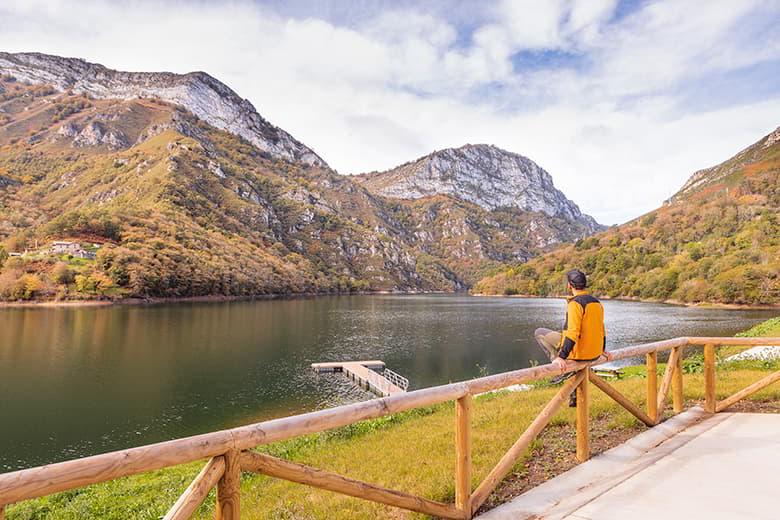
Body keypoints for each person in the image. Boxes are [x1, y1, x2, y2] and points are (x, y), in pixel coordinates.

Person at [534, 269, 610, 406]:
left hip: (581, 353)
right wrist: (602, 349)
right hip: (595, 353)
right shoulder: (597, 303)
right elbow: (601, 329)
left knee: (539, 332)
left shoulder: (575, 303)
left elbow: (573, 332)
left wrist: (561, 357)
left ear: (569, 285)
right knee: (566, 341)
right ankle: (574, 397)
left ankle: (560, 367)